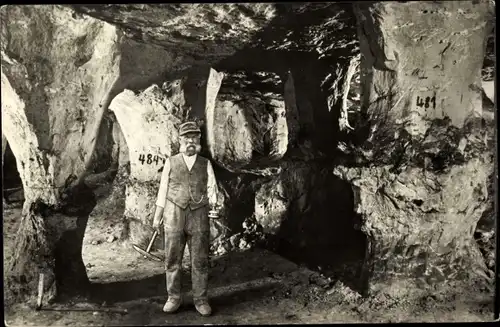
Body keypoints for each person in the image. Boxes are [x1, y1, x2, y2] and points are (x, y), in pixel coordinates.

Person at [152, 121, 219, 317]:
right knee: (172, 258)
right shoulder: (170, 162)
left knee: (200, 259)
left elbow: (212, 189)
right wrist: (157, 217)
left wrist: (215, 208)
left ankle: (201, 299)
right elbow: (162, 190)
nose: (190, 141)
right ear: (180, 140)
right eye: (186, 137)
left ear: (199, 140)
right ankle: (173, 298)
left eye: (194, 137)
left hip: (199, 215)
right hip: (173, 214)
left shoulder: (205, 163)